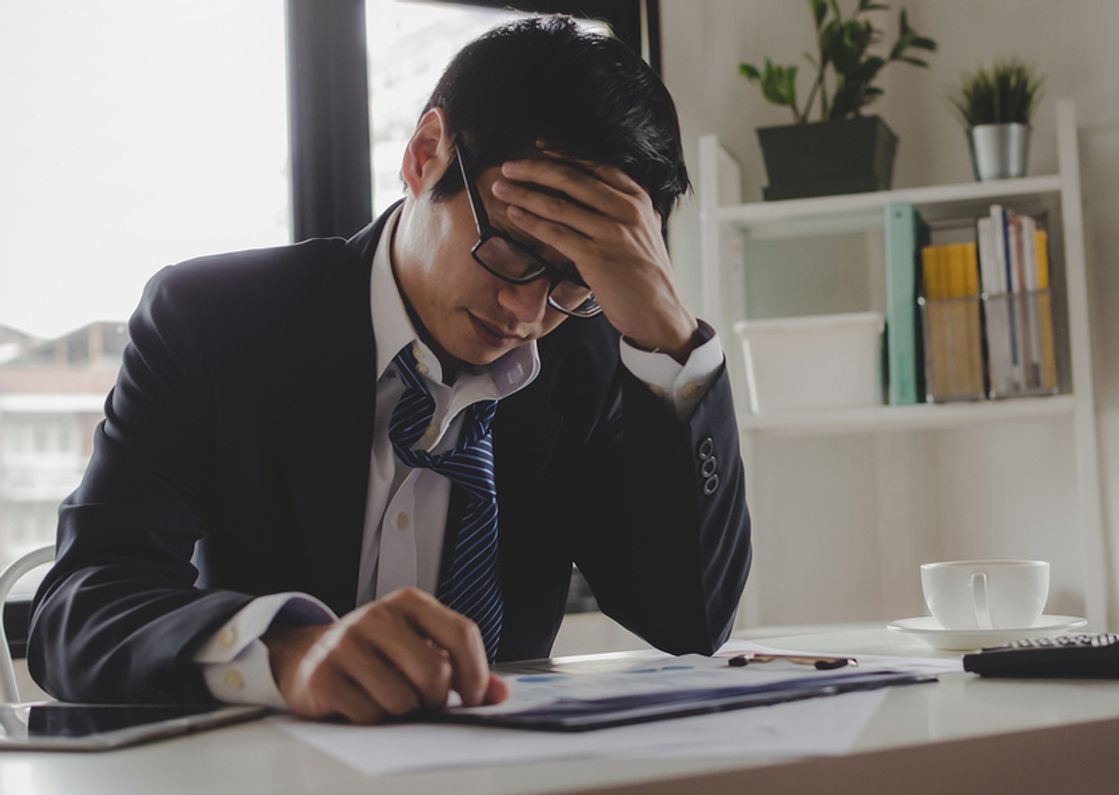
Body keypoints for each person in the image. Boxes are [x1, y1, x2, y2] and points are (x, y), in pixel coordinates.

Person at [28, 15, 751, 725]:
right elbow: (78, 606)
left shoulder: (584, 356)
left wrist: (671, 340)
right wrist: (287, 651)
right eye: (512, 248)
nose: (527, 311)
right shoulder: (216, 321)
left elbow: (690, 618)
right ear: (426, 153)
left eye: (575, 279)